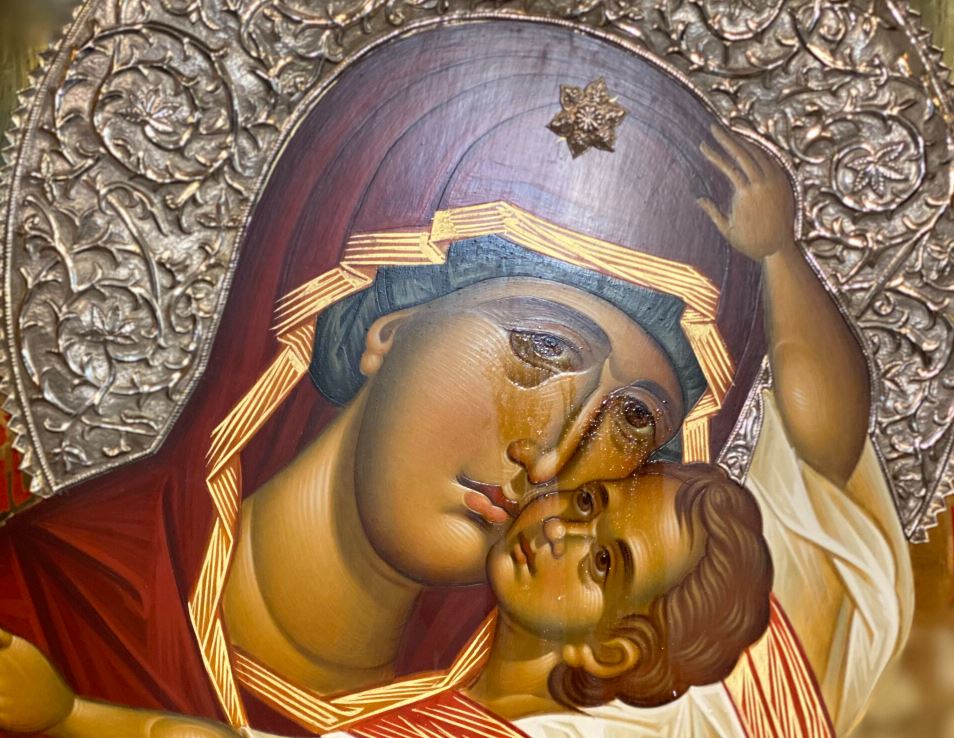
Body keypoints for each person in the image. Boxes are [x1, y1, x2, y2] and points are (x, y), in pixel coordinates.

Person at [0, 21, 911, 738]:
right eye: (541, 350)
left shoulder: (578, 700)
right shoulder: (54, 603)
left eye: (633, 420)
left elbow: (824, 477)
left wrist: (777, 258)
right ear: (387, 326)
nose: (553, 461)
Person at [0, 463, 774, 738]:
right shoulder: (452, 689)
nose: (559, 531)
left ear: (610, 650)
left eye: (603, 561)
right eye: (586, 503)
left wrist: (74, 717)